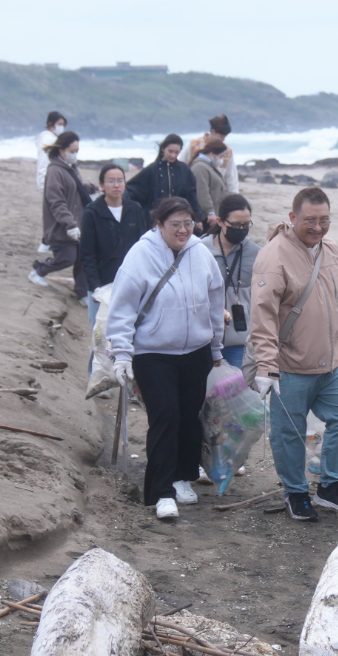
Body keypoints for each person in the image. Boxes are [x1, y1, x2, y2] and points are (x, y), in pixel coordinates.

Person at [106, 197, 225, 519]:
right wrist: (121, 353)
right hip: (153, 352)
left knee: (190, 416)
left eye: (188, 223)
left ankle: (182, 476)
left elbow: (215, 302)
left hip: (196, 351)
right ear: (159, 226)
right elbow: (122, 308)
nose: (183, 230)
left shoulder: (201, 253)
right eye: (175, 224)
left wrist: (216, 348)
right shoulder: (140, 256)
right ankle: (160, 493)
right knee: (165, 416)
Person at [251, 187, 338, 521]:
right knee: (289, 433)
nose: (318, 227)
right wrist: (266, 367)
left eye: (324, 220)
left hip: (333, 360)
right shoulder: (274, 256)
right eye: (310, 220)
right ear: (292, 218)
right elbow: (263, 315)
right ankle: (296, 493)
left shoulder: (331, 249)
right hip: (290, 364)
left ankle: (332, 486)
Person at [79, 162, 148, 331]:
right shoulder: (92, 213)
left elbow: (144, 247)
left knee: (129, 331)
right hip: (102, 285)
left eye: (120, 180)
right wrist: (95, 287)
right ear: (102, 185)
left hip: (131, 284)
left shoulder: (135, 209)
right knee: (101, 335)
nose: (116, 185)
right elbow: (87, 254)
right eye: (111, 181)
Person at [29, 131, 92, 304]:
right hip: (60, 228)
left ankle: (82, 292)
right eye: (73, 150)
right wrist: (70, 224)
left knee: (82, 259)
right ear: (62, 150)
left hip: (77, 224)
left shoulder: (71, 169)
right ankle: (39, 270)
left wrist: (93, 189)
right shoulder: (55, 171)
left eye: (77, 150)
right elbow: (56, 202)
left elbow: (77, 188)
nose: (75, 154)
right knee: (67, 258)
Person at [200, 193, 260, 369]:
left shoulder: (257, 254)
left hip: (238, 342)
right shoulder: (200, 250)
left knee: (239, 393)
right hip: (203, 341)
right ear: (219, 221)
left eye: (246, 225)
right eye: (235, 225)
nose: (241, 229)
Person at [125, 134, 205, 232]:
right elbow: (134, 189)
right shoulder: (151, 170)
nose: (173, 155)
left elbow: (191, 196)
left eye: (176, 152)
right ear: (163, 149)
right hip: (155, 221)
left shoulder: (184, 170)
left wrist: (198, 218)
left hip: (180, 220)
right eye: (170, 151)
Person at [181, 114, 238, 193]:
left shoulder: (227, 151)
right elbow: (182, 167)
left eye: (225, 137)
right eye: (221, 136)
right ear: (213, 132)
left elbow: (231, 178)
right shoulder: (194, 145)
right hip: (194, 190)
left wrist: (234, 196)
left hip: (217, 194)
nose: (223, 140)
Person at [190, 141, 228, 230]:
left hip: (215, 213)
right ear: (212, 154)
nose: (222, 159)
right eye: (221, 156)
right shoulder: (200, 167)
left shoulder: (208, 166)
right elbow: (202, 192)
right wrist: (210, 212)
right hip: (207, 218)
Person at [35, 111, 66, 192]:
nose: (61, 127)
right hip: (50, 183)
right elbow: (43, 163)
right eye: (59, 124)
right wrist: (43, 186)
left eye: (63, 125)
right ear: (50, 124)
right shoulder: (47, 139)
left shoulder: (52, 138)